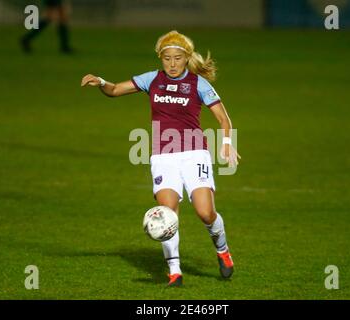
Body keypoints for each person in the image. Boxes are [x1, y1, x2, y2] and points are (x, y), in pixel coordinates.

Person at [81, 30, 241, 287]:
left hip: (194, 153)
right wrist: (101, 82)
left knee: (205, 212)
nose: (173, 63)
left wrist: (226, 144)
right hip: (163, 157)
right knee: (167, 214)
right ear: (161, 58)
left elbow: (223, 118)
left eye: (178, 58)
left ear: (186, 57)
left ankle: (222, 250)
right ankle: (174, 271)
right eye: (167, 58)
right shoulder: (152, 79)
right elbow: (114, 90)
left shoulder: (199, 83)